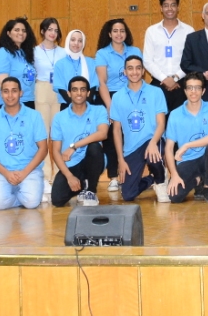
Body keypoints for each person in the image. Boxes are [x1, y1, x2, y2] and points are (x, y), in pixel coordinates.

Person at [109, 55, 168, 202]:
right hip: (131, 148)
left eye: (138, 68)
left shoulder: (156, 92)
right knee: (128, 195)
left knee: (153, 156)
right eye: (130, 68)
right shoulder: (117, 97)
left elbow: (161, 123)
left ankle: (161, 182)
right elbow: (116, 130)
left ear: (143, 71)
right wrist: (121, 159)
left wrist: (153, 142)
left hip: (152, 139)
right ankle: (152, 179)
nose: (134, 72)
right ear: (125, 72)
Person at [0, 77, 47, 210]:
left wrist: (24, 172)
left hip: (29, 170)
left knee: (32, 203)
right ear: (1, 94)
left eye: (14, 91)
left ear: (21, 93)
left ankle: (26, 192)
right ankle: (19, 196)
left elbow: (43, 148)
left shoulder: (34, 116)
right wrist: (6, 173)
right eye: (6, 91)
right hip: (2, 171)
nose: (10, 95)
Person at [95, 19, 142, 191]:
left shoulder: (135, 51)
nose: (119, 34)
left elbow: (139, 75)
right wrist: (110, 106)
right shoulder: (102, 53)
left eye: (122, 30)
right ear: (109, 34)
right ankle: (114, 176)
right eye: (115, 31)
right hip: (111, 97)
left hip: (132, 96)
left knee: (132, 135)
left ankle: (131, 174)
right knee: (111, 138)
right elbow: (102, 82)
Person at [163, 73, 208, 203]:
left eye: (197, 88)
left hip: (207, 158)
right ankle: (198, 180)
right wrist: (174, 175)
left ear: (203, 91)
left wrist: (187, 145)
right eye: (190, 88)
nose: (193, 91)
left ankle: (207, 187)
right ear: (185, 91)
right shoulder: (175, 114)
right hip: (187, 161)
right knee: (174, 197)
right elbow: (168, 148)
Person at [49, 76, 109, 207]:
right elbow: (56, 151)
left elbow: (103, 134)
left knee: (94, 147)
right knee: (57, 200)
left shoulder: (99, 110)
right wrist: (69, 176)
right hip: (72, 164)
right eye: (75, 90)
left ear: (88, 93)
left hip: (93, 161)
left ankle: (91, 191)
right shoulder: (59, 118)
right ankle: (83, 185)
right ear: (69, 93)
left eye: (82, 89)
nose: (79, 93)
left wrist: (74, 146)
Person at [143, 0, 195, 112]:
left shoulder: (189, 31)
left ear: (178, 8)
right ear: (161, 8)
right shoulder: (151, 31)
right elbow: (147, 60)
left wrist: (175, 78)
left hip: (182, 83)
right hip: (158, 83)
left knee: (181, 120)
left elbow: (191, 59)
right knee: (158, 120)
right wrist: (164, 79)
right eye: (166, 5)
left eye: (173, 5)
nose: (169, 9)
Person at [34, 18, 66, 202]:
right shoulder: (35, 51)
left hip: (59, 91)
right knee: (44, 133)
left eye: (55, 30)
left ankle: (60, 172)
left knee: (57, 134)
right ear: (42, 31)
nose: (52, 33)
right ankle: (46, 174)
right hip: (42, 89)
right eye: (49, 29)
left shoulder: (63, 52)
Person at [0, 18, 37, 107]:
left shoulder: (26, 53)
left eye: (24, 31)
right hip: (11, 102)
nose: (21, 33)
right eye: (17, 30)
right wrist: (13, 95)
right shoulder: (3, 52)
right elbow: (1, 81)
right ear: (8, 33)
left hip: (29, 99)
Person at [53, 30, 99, 106]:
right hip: (67, 105)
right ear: (68, 41)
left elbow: (93, 86)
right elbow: (61, 88)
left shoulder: (91, 62)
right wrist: (75, 105)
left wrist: (84, 105)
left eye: (80, 41)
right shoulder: (60, 64)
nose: (76, 43)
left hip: (88, 104)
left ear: (83, 44)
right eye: (73, 40)